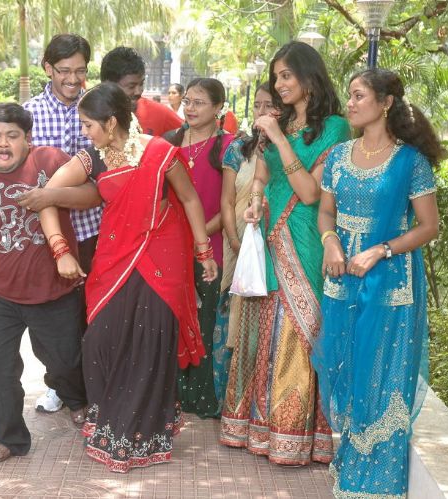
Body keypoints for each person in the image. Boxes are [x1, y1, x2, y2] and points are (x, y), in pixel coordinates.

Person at [38, 82, 218, 473]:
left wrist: (203, 251)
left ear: (111, 122)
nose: (84, 132)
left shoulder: (159, 151)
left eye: (88, 125)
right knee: (99, 342)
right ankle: (110, 419)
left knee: (151, 341)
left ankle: (138, 433)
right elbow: (48, 194)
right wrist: (59, 248)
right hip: (114, 258)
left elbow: (189, 198)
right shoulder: (92, 158)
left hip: (162, 256)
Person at [219, 41, 350, 466]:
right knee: (263, 324)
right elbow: (261, 175)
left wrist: (277, 136)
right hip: (268, 234)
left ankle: (295, 435)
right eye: (276, 77)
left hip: (306, 237)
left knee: (298, 327)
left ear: (310, 77)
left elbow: (311, 193)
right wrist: (255, 201)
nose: (279, 84)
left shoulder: (334, 128)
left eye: (286, 75)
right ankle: (257, 429)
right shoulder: (280, 122)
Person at [313, 68, 441, 498]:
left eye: (358, 96)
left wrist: (380, 250)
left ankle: (378, 483)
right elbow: (325, 213)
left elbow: (428, 226)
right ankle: (351, 466)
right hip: (342, 277)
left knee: (383, 374)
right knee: (347, 368)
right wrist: (331, 243)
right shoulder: (338, 156)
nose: (349, 104)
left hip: (390, 282)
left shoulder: (410, 162)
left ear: (385, 103)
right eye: (349, 96)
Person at [0, 103, 92, 463]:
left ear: (28, 139)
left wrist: (50, 195)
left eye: (12, 136)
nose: (3, 144)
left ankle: (78, 401)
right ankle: (8, 438)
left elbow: (92, 194)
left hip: (53, 289)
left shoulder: (50, 161)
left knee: (65, 362)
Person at [22, 33, 96, 414]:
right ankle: (57, 384)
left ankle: (92, 387)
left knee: (91, 313)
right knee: (51, 317)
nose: (72, 79)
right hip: (45, 234)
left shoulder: (97, 108)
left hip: (93, 228)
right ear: (48, 68)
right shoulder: (28, 114)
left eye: (80, 71)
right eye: (64, 71)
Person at [163, 78, 235, 418]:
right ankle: (174, 394)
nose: (190, 108)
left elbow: (229, 203)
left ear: (218, 107)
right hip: (172, 247)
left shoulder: (230, 147)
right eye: (188, 101)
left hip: (212, 247)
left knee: (206, 321)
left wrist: (198, 237)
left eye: (200, 102)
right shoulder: (169, 142)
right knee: (174, 320)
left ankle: (203, 398)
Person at [216, 82, 273, 403]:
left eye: (269, 106)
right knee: (234, 315)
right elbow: (227, 201)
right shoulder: (239, 149)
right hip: (238, 242)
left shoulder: (289, 149)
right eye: (257, 105)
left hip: (275, 245)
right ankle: (231, 398)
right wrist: (236, 241)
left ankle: (260, 397)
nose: (261, 112)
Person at [100, 47, 183, 136]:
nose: (138, 92)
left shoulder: (159, 113)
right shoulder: (92, 114)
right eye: (131, 86)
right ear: (108, 85)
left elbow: (189, 132)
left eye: (141, 84)